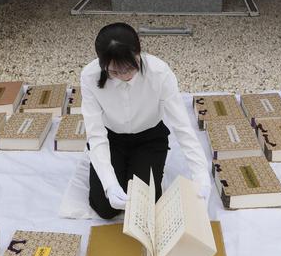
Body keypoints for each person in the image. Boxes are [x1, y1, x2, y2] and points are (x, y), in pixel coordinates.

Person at [80, 22, 212, 219]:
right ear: (102, 63)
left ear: (138, 53)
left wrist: (201, 176)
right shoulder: (89, 76)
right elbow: (96, 133)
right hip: (111, 139)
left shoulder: (159, 73)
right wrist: (109, 184)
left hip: (149, 139)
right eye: (114, 72)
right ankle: (109, 172)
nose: (124, 76)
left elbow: (183, 127)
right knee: (105, 208)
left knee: (143, 205)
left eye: (128, 68)